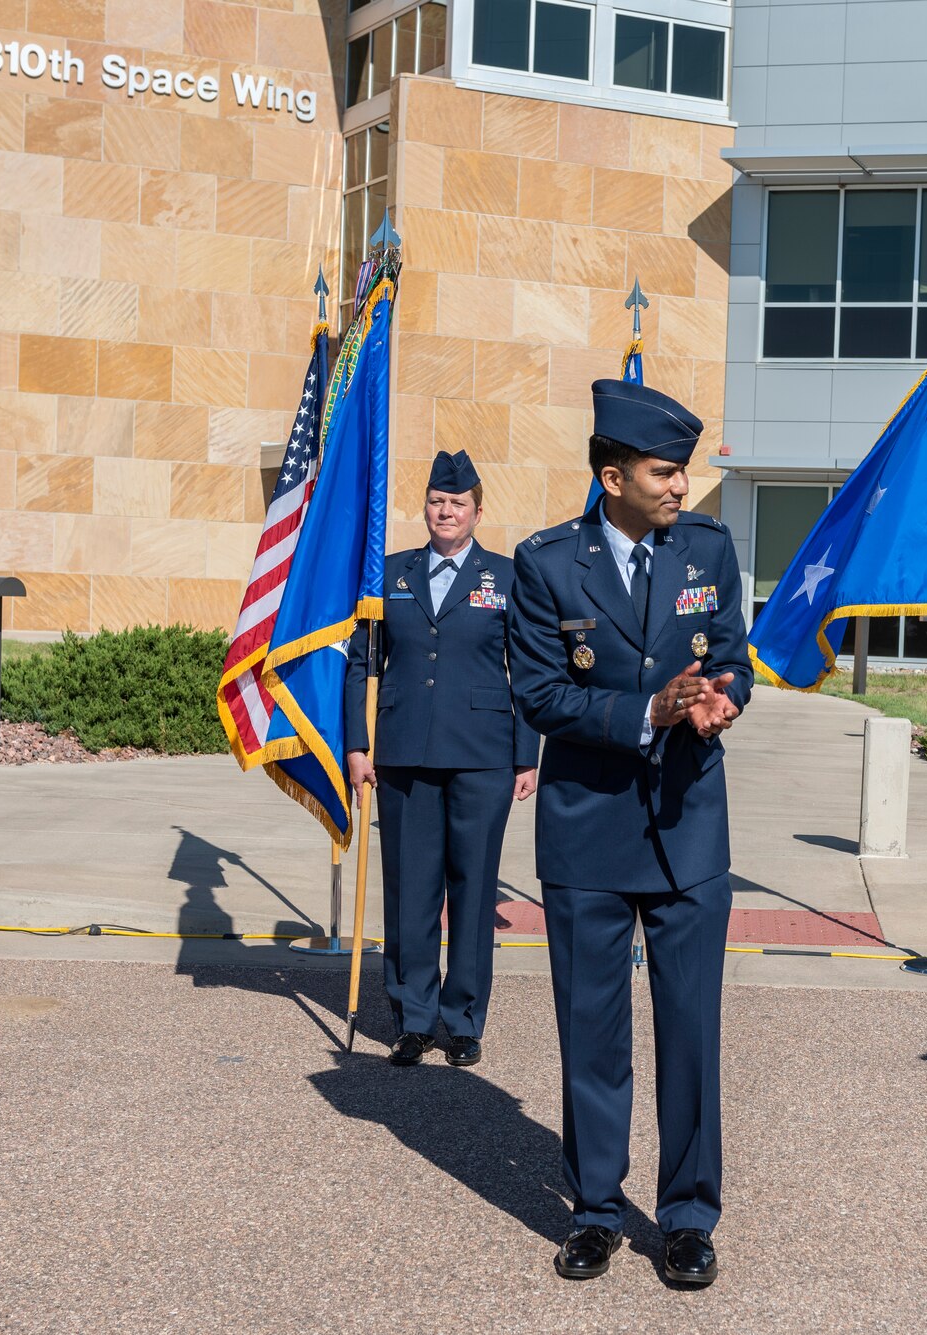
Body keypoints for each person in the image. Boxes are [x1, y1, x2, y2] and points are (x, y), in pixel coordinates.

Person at [508, 379, 751, 1288]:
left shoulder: (708, 550)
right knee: (593, 1033)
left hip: (689, 830)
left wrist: (723, 695)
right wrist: (646, 710)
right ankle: (597, 1210)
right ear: (612, 476)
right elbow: (539, 693)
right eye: (665, 471)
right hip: (588, 834)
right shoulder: (546, 564)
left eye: (683, 470)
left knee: (691, 1031)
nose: (682, 486)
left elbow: (732, 649)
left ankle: (687, 1215)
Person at [343, 450, 538, 1067]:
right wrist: (356, 742)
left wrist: (526, 754)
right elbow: (361, 665)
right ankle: (413, 1018)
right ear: (424, 507)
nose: (444, 512)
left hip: (483, 755)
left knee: (474, 891)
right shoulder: (388, 574)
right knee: (410, 891)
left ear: (478, 512)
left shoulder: (506, 578)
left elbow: (529, 671)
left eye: (456, 503)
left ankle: (463, 1020)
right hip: (403, 754)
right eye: (436, 501)